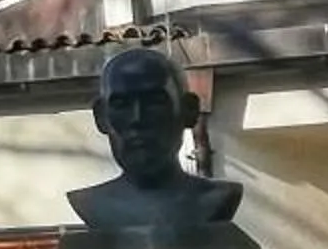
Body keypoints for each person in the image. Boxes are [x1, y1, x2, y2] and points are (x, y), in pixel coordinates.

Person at [65, 46, 242, 230]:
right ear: (101, 117)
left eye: (155, 102)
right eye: (121, 105)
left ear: (189, 110)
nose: (137, 118)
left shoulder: (217, 198)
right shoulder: (92, 203)